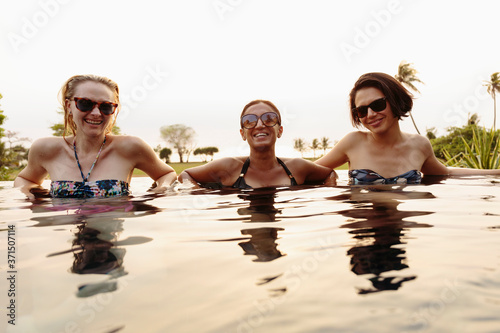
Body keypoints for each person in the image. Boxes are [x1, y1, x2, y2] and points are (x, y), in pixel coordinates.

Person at [315, 72, 500, 184]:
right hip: (364, 232)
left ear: (395, 101)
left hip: (404, 235)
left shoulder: (419, 145)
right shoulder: (353, 142)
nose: (370, 114)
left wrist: (496, 173)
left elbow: (447, 172)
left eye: (378, 105)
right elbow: (306, 171)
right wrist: (330, 177)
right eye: (362, 110)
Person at [14, 74, 176, 199]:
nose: (96, 113)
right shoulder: (46, 149)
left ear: (114, 110)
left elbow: (166, 175)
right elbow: (25, 179)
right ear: (69, 106)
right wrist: (28, 196)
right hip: (63, 236)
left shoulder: (130, 147)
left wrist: (159, 192)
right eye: (85, 103)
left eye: (106, 107)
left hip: (112, 238)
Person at [179, 99, 337, 188]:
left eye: (269, 119)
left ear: (280, 130)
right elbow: (185, 175)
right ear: (243, 134)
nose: (260, 125)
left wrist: (328, 191)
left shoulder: (297, 167)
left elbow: (330, 173)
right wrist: (196, 192)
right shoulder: (228, 167)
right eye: (250, 121)